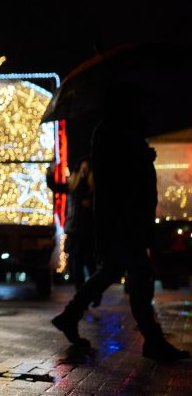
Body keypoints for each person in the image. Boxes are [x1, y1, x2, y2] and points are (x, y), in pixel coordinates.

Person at [51, 82, 190, 361]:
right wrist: (140, 157)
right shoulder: (112, 132)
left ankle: (70, 316)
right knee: (140, 276)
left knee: (112, 272)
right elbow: (116, 179)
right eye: (135, 101)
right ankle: (153, 340)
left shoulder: (119, 131)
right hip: (123, 220)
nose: (141, 106)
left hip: (125, 218)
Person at [46, 157, 101, 305]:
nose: (84, 172)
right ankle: (81, 297)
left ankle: (95, 294)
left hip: (88, 232)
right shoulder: (72, 187)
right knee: (76, 265)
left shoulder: (93, 189)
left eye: (86, 169)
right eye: (82, 169)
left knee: (90, 264)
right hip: (74, 231)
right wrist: (49, 173)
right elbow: (54, 186)